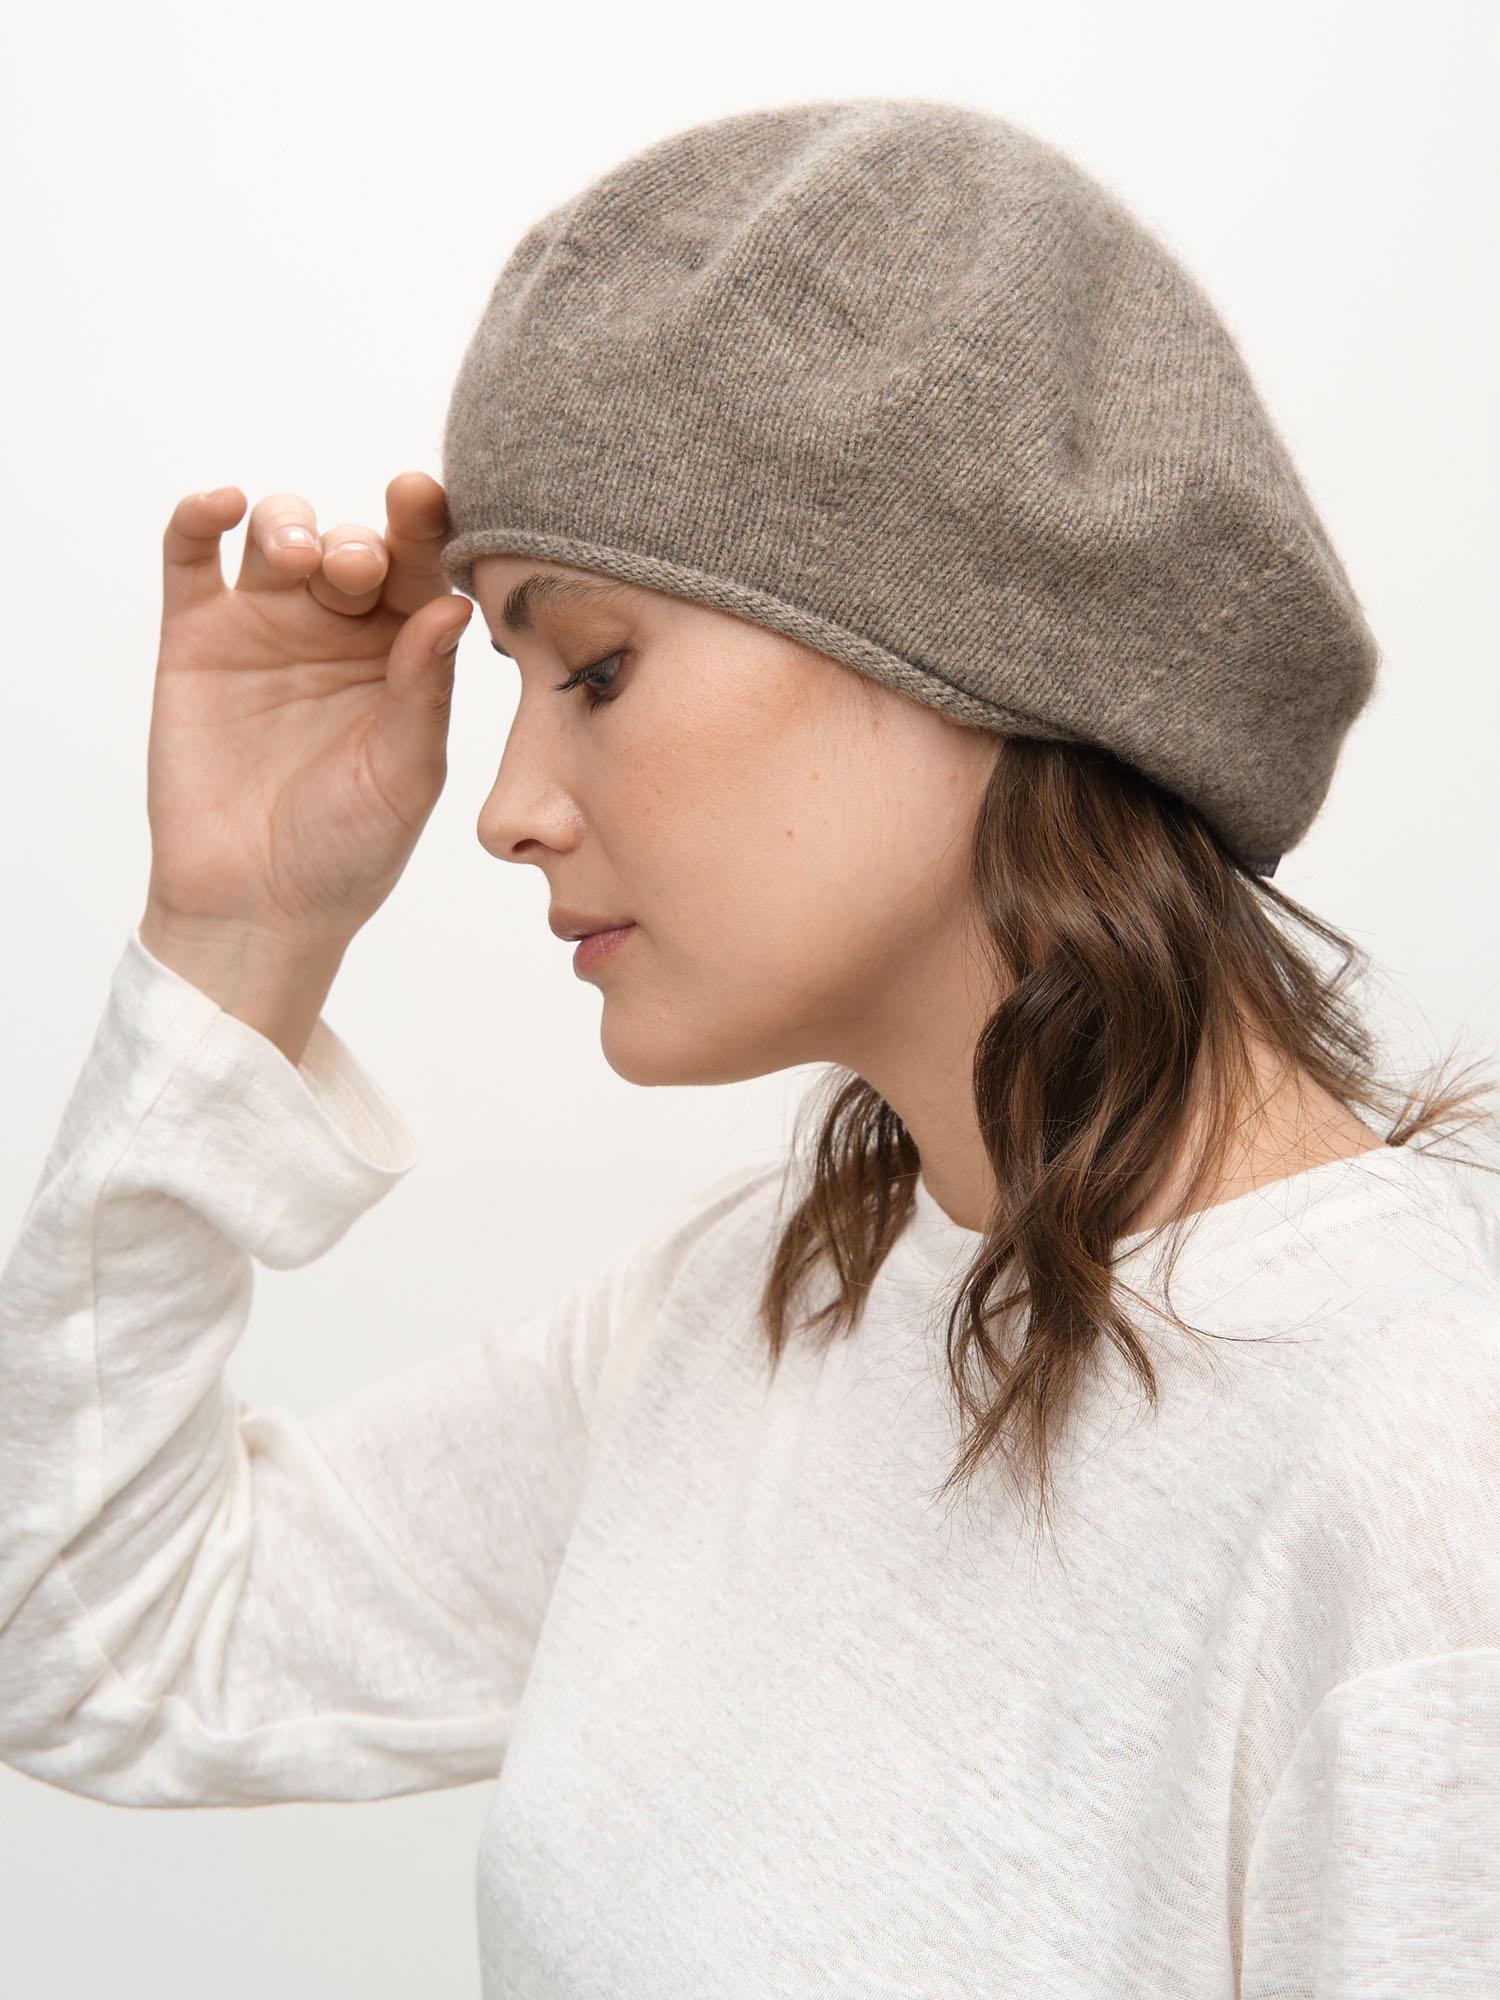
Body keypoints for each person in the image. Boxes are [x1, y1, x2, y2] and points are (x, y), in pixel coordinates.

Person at [3, 96, 1498, 1999]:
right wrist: (239, 933)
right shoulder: (764, 1311)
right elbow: (84, 1626)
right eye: (513, 683)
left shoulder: (1423, 1472)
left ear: (975, 639)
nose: (507, 808)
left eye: (596, 668)